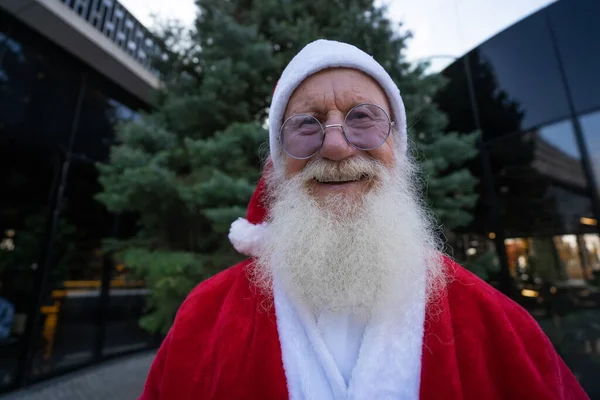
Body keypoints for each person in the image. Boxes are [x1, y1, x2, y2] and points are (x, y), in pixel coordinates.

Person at [139, 40, 588, 400]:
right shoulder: (204, 316)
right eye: (307, 125)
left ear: (399, 148)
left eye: (363, 120)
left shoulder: (497, 322)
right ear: (277, 162)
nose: (335, 146)